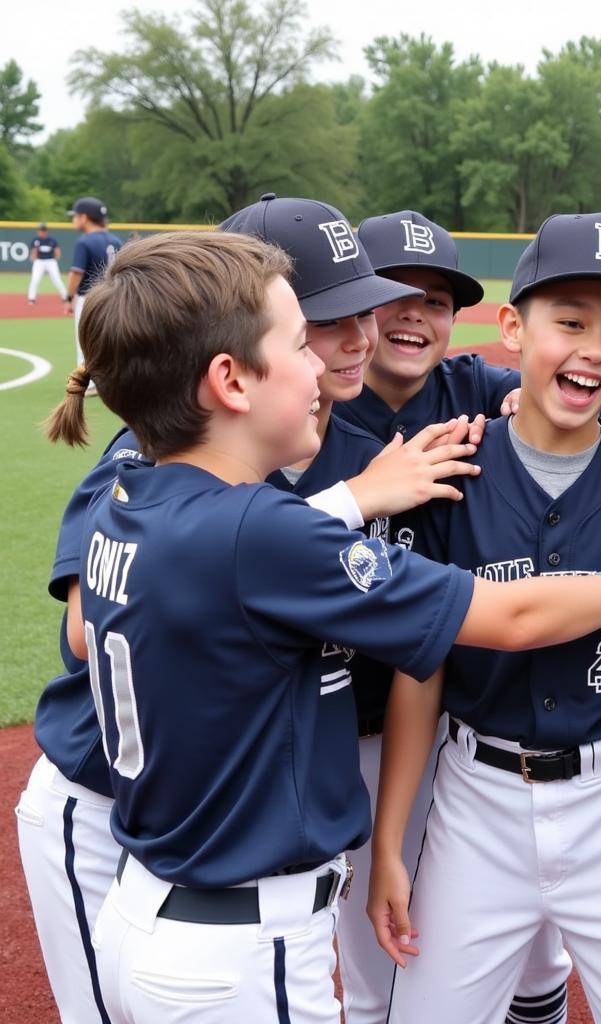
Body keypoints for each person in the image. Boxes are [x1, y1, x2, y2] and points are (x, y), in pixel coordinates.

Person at [46, 229, 601, 1024]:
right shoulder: (262, 533)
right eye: (302, 343)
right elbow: (507, 616)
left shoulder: (126, 498)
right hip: (242, 945)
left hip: (147, 910)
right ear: (230, 380)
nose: (328, 365)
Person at [18, 196, 481, 1024]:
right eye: (317, 323)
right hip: (102, 793)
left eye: (361, 308)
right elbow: (84, 631)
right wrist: (344, 505)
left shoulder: (337, 437)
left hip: (228, 806)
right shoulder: (158, 445)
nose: (356, 337)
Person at [370, 212, 601, 1024]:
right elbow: (424, 669)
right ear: (512, 327)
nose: (595, 348)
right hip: (476, 796)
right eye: (570, 322)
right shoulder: (450, 470)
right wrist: (389, 843)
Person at [334, 209, 520, 443]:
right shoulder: (317, 398)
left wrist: (533, 400)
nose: (413, 313)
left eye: (435, 302)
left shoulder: (477, 386)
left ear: (452, 319)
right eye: (392, 294)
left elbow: (553, 392)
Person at [66, 196, 123, 373]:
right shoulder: (115, 240)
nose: (73, 219)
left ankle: (88, 382)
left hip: (89, 298)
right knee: (111, 338)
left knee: (84, 340)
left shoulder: (84, 241)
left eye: (75, 216)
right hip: (113, 296)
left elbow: (77, 272)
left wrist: (69, 298)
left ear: (84, 217)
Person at [27, 223, 68, 303]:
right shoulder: (36, 240)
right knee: (35, 280)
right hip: (39, 261)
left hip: (50, 261)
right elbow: (34, 251)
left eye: (43, 230)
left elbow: (57, 250)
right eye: (40, 230)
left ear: (46, 231)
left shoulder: (52, 240)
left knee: (57, 279)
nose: (41, 232)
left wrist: (55, 259)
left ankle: (65, 297)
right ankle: (31, 298)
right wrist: (35, 260)